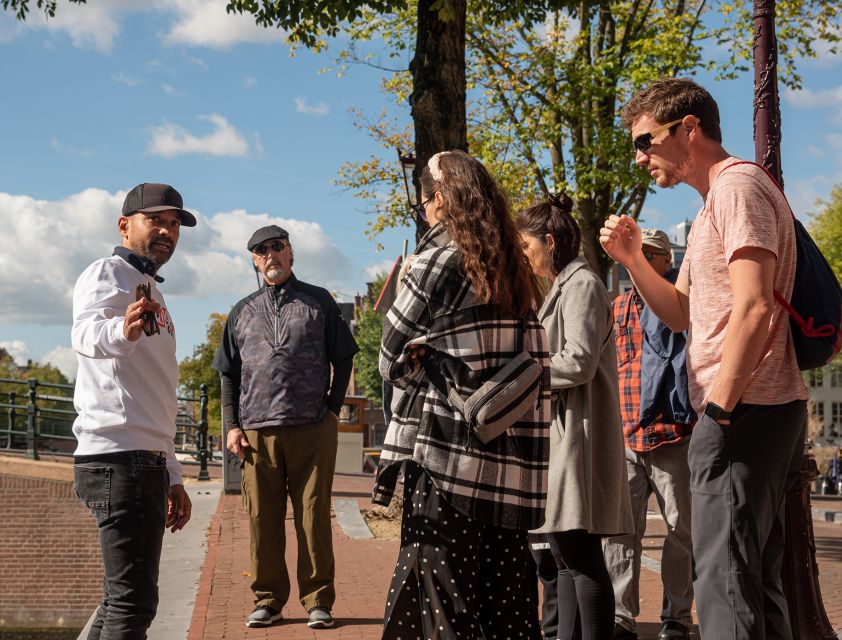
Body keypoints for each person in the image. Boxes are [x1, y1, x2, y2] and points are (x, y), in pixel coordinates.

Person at [600, 77, 809, 640]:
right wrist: (632, 260)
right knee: (750, 579)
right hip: (749, 410)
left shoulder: (737, 187)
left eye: (646, 141)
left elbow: (755, 305)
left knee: (723, 580)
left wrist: (717, 410)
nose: (639, 157)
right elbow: (681, 313)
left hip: (746, 411)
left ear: (688, 129)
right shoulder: (714, 201)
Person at [372, 150, 552, 640]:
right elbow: (538, 357)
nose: (424, 210)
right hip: (512, 459)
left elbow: (388, 358)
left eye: (426, 201)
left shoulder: (436, 260)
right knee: (506, 596)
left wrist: (422, 357)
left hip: (448, 454)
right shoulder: (515, 266)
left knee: (439, 593)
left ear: (441, 202)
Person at [212, 224, 358, 630]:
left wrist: (331, 410)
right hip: (257, 432)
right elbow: (228, 373)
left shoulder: (319, 301)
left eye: (277, 247)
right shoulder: (241, 311)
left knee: (313, 517)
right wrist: (232, 425)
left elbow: (344, 357)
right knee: (262, 519)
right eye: (261, 251)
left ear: (290, 253)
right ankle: (268, 600)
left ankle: (318, 601)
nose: (270, 255)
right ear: (254, 261)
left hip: (312, 426)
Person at [71, 182, 195, 639]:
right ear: (125, 225)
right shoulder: (107, 273)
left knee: (119, 599)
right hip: (119, 459)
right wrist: (121, 333)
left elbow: (154, 393)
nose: (168, 230)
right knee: (134, 605)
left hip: (143, 458)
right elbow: (85, 334)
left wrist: (174, 474)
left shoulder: (154, 294)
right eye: (156, 220)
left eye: (175, 224)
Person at [517, 195, 633, 640]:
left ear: (550, 241)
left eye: (528, 249)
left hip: (577, 438)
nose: (527, 260)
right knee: (565, 557)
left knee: (580, 559)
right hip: (565, 435)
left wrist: (524, 369)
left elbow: (579, 361)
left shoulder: (582, 285)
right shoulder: (567, 285)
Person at [603, 228, 694, 640]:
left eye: (649, 254)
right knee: (622, 529)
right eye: (636, 253)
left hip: (673, 435)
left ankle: (676, 617)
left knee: (681, 530)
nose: (639, 259)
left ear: (664, 261)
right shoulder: (617, 306)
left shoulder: (682, 300)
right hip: (625, 436)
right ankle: (621, 614)